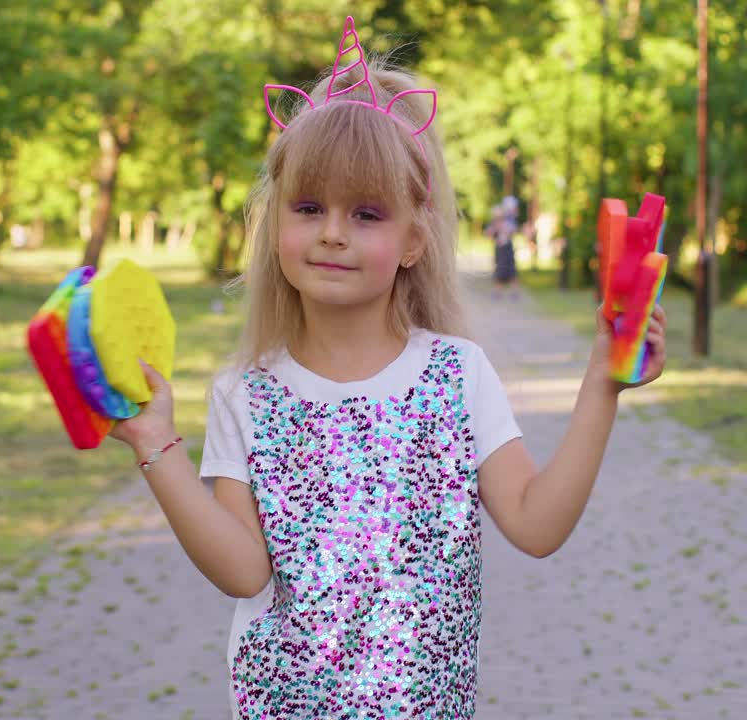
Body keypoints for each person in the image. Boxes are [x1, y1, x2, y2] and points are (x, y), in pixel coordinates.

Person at [106, 15, 667, 719]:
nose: (334, 232)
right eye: (309, 208)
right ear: (277, 223)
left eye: (366, 214)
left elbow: (536, 523)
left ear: (412, 239)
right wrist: (158, 448)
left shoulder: (456, 376)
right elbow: (244, 571)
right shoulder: (246, 394)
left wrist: (603, 385)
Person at [486, 194, 521, 299]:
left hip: (507, 248)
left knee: (511, 270)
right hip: (500, 248)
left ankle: (514, 292)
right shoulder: (498, 219)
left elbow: (512, 230)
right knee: (500, 270)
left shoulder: (510, 221)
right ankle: (498, 292)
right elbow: (489, 232)